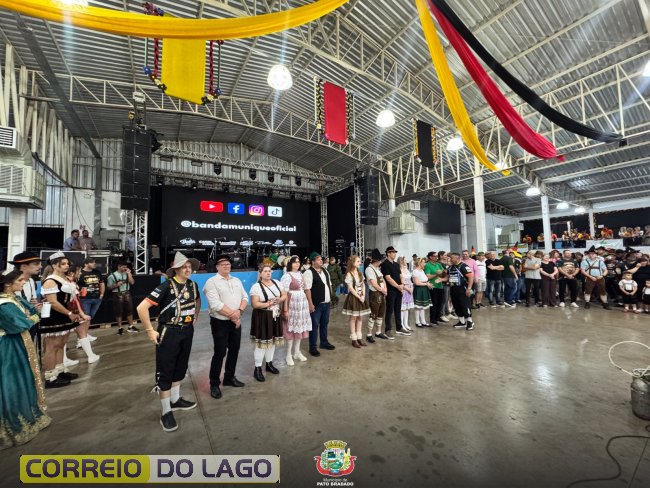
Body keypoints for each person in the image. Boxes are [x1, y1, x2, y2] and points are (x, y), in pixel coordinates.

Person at [137, 252, 201, 432]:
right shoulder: (166, 286)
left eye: (189, 266)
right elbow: (141, 307)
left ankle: (175, 399)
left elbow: (197, 300)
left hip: (187, 331)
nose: (188, 269)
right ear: (176, 269)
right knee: (166, 370)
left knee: (180, 367)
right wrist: (150, 330)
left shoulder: (193, 285)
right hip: (169, 332)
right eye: (184, 267)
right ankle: (166, 412)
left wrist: (195, 316)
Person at [0, 270, 52, 449]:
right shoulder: (5, 304)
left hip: (19, 343)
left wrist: (32, 314)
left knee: (23, 378)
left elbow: (29, 313)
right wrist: (34, 317)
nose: (24, 283)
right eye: (20, 280)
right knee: (12, 382)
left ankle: (27, 412)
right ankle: (13, 423)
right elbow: (19, 323)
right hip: (9, 347)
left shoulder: (14, 298)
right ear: (8, 284)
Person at [203, 255, 248, 399]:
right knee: (220, 352)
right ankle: (214, 384)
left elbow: (245, 297)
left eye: (228, 263)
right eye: (223, 264)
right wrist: (235, 317)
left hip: (236, 321)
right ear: (217, 267)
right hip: (220, 323)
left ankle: (229, 377)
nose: (226, 266)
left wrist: (239, 312)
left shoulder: (236, 280)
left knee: (234, 350)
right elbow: (216, 305)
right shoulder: (211, 282)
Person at [39, 252, 81, 388]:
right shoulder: (50, 281)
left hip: (65, 315)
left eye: (67, 263)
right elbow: (53, 302)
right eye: (63, 264)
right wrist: (69, 313)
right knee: (52, 346)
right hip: (54, 316)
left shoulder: (64, 279)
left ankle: (60, 371)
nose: (66, 266)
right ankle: (50, 377)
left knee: (61, 344)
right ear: (54, 265)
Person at [249, 264, 287, 381]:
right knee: (261, 344)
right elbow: (255, 304)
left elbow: (284, 295)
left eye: (269, 271)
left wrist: (279, 299)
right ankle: (257, 368)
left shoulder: (277, 283)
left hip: (275, 316)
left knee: (272, 341)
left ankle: (269, 364)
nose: (268, 273)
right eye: (265, 271)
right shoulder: (256, 287)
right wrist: (269, 303)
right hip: (262, 316)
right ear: (260, 273)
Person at [280, 256, 311, 365]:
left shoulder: (301, 274)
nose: (297, 264)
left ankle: (297, 352)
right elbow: (284, 294)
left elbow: (305, 289)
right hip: (292, 304)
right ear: (290, 264)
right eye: (294, 262)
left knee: (300, 329)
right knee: (291, 329)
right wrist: (285, 309)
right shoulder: (287, 276)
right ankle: (288, 355)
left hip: (301, 305)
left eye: (298, 262)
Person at [304, 251, 335, 356]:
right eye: (318, 259)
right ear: (313, 262)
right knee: (314, 325)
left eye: (321, 259)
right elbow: (307, 289)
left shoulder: (325, 271)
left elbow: (329, 285)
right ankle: (312, 347)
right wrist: (310, 304)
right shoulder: (309, 272)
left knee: (324, 323)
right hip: (316, 304)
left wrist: (330, 298)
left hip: (326, 302)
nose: (321, 261)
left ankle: (324, 342)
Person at [65, 265, 98, 364]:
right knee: (82, 333)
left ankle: (64, 359)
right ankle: (91, 356)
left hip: (67, 312)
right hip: (73, 312)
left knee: (64, 336)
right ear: (71, 273)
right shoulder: (70, 284)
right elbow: (75, 301)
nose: (80, 274)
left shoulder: (67, 283)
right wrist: (82, 313)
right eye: (78, 272)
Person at [9, 252, 44, 339]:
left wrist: (34, 306)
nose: (40, 266)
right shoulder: (8, 282)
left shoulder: (31, 281)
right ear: (23, 266)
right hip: (13, 326)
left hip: (29, 323)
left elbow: (31, 302)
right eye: (36, 264)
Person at [381, 246, 411, 338]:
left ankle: (399, 328)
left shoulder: (396, 264)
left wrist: (402, 285)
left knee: (398, 309)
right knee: (389, 310)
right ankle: (388, 330)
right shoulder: (385, 264)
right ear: (388, 253)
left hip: (399, 290)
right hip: (391, 291)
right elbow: (388, 278)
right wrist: (398, 286)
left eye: (395, 252)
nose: (394, 254)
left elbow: (401, 275)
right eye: (393, 252)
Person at [341, 255, 370, 348]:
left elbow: (363, 285)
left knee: (360, 317)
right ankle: (354, 339)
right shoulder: (349, 274)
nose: (360, 263)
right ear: (353, 263)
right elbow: (350, 288)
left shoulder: (360, 272)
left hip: (361, 296)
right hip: (354, 298)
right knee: (353, 318)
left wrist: (363, 295)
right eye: (358, 261)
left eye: (359, 261)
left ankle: (359, 337)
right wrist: (358, 296)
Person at [442, 253, 475, 331]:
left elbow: (471, 277)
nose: (450, 259)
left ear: (457, 258)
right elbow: (447, 277)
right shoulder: (450, 267)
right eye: (450, 258)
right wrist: (441, 279)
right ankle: (462, 322)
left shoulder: (464, 266)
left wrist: (469, 289)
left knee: (465, 305)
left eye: (452, 258)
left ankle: (469, 322)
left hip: (463, 289)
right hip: (453, 289)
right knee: (457, 306)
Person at [106, 261, 137, 334]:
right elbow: (109, 288)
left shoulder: (127, 273)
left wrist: (129, 274)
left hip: (127, 293)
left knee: (130, 310)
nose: (125, 268)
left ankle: (131, 326)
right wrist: (116, 285)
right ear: (119, 267)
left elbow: (132, 282)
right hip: (117, 294)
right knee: (119, 311)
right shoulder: (112, 276)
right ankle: (120, 328)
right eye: (123, 267)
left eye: (126, 267)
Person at [365, 249, 388, 342]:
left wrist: (385, 289)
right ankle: (369, 334)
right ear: (376, 261)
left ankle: (378, 332)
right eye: (380, 260)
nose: (381, 262)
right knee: (373, 314)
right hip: (375, 294)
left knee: (381, 313)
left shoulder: (377, 269)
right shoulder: (369, 269)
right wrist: (383, 290)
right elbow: (373, 283)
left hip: (381, 293)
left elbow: (383, 279)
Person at [78, 257, 104, 324]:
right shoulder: (80, 273)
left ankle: (86, 329)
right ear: (86, 264)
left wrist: (101, 294)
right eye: (92, 262)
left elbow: (101, 283)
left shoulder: (97, 272)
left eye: (95, 262)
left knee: (91, 316)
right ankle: (84, 330)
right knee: (85, 316)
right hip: (84, 298)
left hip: (97, 298)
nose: (94, 264)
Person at [424, 252, 447, 324]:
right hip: (433, 286)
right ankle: (433, 318)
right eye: (435, 256)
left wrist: (443, 272)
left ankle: (438, 317)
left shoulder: (438, 264)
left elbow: (443, 273)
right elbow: (428, 276)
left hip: (440, 285)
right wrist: (436, 274)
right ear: (430, 257)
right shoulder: (427, 265)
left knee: (440, 302)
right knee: (434, 303)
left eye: (437, 256)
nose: (437, 257)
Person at [412, 258, 433, 327]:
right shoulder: (415, 271)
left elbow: (424, 280)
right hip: (419, 289)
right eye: (423, 262)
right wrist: (426, 284)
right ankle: (417, 321)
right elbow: (417, 283)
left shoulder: (422, 271)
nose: (425, 264)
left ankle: (423, 321)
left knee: (422, 306)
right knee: (418, 306)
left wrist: (428, 284)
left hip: (424, 289)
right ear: (419, 263)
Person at [398, 256, 414, 331]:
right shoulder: (399, 270)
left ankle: (406, 324)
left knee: (407, 308)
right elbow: (401, 282)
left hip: (409, 290)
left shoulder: (406, 270)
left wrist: (411, 288)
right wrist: (407, 289)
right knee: (402, 309)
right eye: (404, 260)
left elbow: (410, 280)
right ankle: (402, 325)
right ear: (401, 261)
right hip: (404, 290)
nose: (405, 261)